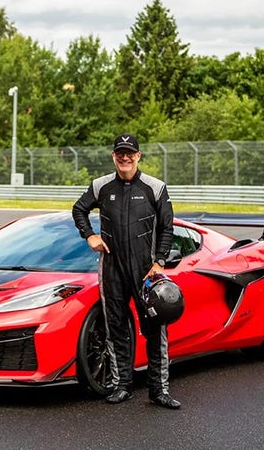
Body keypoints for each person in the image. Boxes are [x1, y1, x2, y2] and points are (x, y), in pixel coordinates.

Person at [72, 133, 180, 409]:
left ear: (138, 155)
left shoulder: (155, 187)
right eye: (120, 152)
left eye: (130, 152)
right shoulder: (100, 185)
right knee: (116, 328)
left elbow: (167, 227)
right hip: (112, 269)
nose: (125, 157)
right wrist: (89, 236)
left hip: (146, 271)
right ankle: (122, 386)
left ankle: (159, 390)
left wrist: (159, 262)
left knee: (155, 330)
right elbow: (79, 209)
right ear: (113, 156)